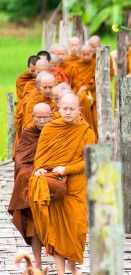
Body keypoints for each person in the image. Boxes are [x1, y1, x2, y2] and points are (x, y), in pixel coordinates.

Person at [29, 93, 96, 275]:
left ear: (79, 110)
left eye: (71, 109)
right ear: (58, 108)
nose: (67, 112)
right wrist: (40, 169)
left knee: (77, 230)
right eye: (64, 108)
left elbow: (88, 161)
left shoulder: (86, 131)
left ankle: (73, 268)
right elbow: (40, 158)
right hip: (56, 188)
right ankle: (60, 272)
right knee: (57, 233)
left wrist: (66, 169)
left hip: (76, 187)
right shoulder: (50, 129)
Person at [8, 103, 52, 270]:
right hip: (33, 185)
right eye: (38, 117)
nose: (42, 121)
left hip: (53, 181)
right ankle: (38, 263)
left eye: (45, 117)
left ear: (52, 115)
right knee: (33, 224)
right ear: (33, 117)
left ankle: (62, 265)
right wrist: (32, 174)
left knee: (57, 225)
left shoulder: (57, 131)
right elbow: (21, 159)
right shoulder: (28, 133)